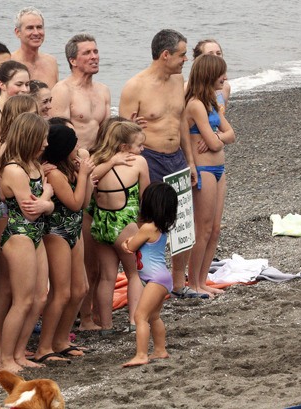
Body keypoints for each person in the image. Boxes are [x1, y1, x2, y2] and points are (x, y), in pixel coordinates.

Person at [119, 29, 200, 299]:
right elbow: (120, 132)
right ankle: (146, 278)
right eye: (182, 54)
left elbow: (180, 122)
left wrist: (190, 162)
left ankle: (179, 283)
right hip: (149, 157)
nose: (186, 59)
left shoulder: (178, 81)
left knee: (181, 219)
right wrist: (131, 127)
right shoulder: (135, 86)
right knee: (148, 219)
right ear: (165, 55)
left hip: (175, 155)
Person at [0, 112, 53, 373]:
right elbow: (30, 210)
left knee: (40, 297)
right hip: (19, 234)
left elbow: (42, 206)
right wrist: (48, 198)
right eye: (42, 138)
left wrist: (46, 202)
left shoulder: (35, 165)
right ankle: (6, 358)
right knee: (22, 300)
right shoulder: (14, 169)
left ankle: (19, 352)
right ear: (29, 137)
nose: (46, 144)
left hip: (36, 234)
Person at [0, 94, 39, 363]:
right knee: (7, 285)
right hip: (7, 218)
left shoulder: (24, 152)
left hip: (16, 217)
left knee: (15, 288)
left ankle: (9, 347)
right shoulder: (9, 150)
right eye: (33, 112)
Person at [33, 124, 94, 362]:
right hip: (56, 232)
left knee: (80, 289)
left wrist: (83, 176)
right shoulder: (55, 174)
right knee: (61, 292)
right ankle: (44, 347)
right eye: (74, 143)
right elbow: (75, 203)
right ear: (64, 147)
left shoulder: (69, 169)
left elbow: (86, 200)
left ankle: (60, 339)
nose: (78, 147)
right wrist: (85, 176)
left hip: (73, 230)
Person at [90, 121, 149, 333]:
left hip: (100, 224)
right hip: (124, 224)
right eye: (139, 145)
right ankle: (135, 321)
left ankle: (105, 325)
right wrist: (145, 227)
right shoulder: (139, 163)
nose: (142, 149)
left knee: (107, 276)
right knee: (134, 273)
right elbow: (145, 197)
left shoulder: (97, 161)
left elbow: (89, 183)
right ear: (124, 147)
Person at [185, 54, 236, 298]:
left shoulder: (212, 102)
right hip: (204, 170)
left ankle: (203, 280)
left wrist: (215, 138)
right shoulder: (195, 103)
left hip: (219, 170)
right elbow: (215, 143)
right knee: (202, 229)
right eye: (220, 74)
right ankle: (193, 282)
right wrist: (216, 139)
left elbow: (230, 134)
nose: (225, 78)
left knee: (215, 229)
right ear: (208, 75)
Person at [120, 182, 178, 367]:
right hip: (162, 278)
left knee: (140, 316)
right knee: (154, 316)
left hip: (155, 279)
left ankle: (141, 354)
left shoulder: (147, 228)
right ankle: (160, 349)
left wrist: (126, 243)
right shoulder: (160, 228)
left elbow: (130, 247)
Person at [51, 33, 111, 149]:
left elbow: (108, 131)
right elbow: (60, 135)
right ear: (73, 61)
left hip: (98, 155)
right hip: (73, 156)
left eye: (95, 51)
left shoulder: (103, 90)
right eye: (87, 53)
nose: (94, 57)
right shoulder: (63, 90)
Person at [0, 60, 31, 156]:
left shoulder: (28, 110)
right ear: (2, 85)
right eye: (19, 84)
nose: (25, 89)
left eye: (27, 84)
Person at [10, 7, 59, 88]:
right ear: (18, 32)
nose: (36, 33)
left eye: (39, 27)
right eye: (30, 28)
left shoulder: (51, 62)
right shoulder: (8, 62)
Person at [192, 39, 231, 114]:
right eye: (210, 54)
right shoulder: (189, 89)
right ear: (198, 59)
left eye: (218, 53)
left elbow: (221, 119)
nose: (216, 57)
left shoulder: (225, 87)